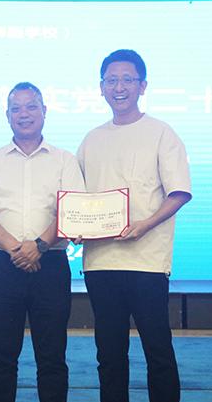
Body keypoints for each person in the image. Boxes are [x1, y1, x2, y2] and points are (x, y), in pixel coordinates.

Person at [76, 49, 192, 402]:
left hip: (147, 262)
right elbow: (76, 200)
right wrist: (74, 225)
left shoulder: (161, 133)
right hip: (100, 262)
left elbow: (179, 192)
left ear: (143, 86)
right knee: (109, 353)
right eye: (111, 80)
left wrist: (145, 224)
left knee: (158, 350)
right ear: (101, 87)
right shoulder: (92, 139)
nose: (119, 87)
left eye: (127, 79)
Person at [0, 82, 85, 402]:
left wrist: (39, 246)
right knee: (1, 357)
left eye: (31, 106)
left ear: (44, 111)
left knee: (52, 357)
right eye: (16, 108)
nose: (24, 114)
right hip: (3, 266)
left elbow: (72, 211)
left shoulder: (65, 160)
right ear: (7, 116)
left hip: (51, 266)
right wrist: (16, 249)